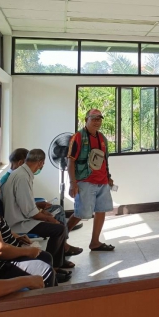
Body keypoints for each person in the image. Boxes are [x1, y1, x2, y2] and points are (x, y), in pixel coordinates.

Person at [0, 166, 60, 286]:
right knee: (44, 270)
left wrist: (17, 237)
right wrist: (27, 251)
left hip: (3, 261)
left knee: (45, 257)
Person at [2, 149, 74, 279]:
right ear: (41, 163)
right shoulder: (22, 177)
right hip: (18, 222)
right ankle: (53, 269)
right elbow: (29, 211)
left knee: (59, 225)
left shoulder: (23, 173)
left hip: (21, 217)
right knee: (58, 229)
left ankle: (59, 263)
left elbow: (25, 203)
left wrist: (43, 213)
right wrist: (47, 218)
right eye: (42, 164)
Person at [66, 108, 116, 252]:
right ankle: (60, 241)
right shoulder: (78, 137)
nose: (96, 122)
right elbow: (70, 161)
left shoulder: (102, 138)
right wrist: (73, 183)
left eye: (99, 119)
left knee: (101, 210)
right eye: (93, 119)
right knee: (80, 214)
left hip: (102, 181)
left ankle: (95, 242)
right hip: (85, 181)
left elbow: (105, 160)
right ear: (86, 120)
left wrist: (108, 177)